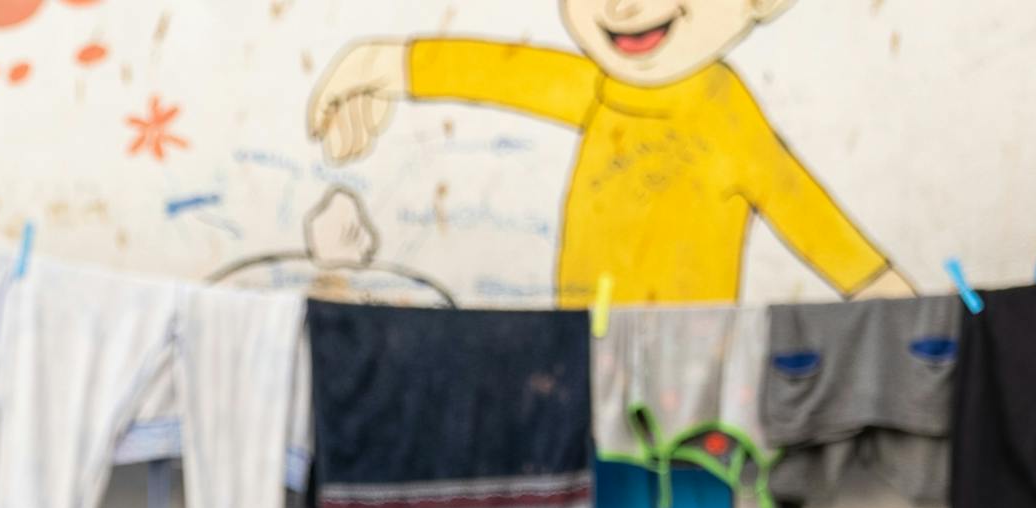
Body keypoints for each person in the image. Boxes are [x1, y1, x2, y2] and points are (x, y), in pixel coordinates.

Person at [303, 0, 922, 306]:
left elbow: (815, 223)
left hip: (691, 376)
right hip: (586, 360)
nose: (623, 7)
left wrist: (928, 323)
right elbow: (505, 72)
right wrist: (380, 62)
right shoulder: (606, 92)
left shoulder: (726, 118)